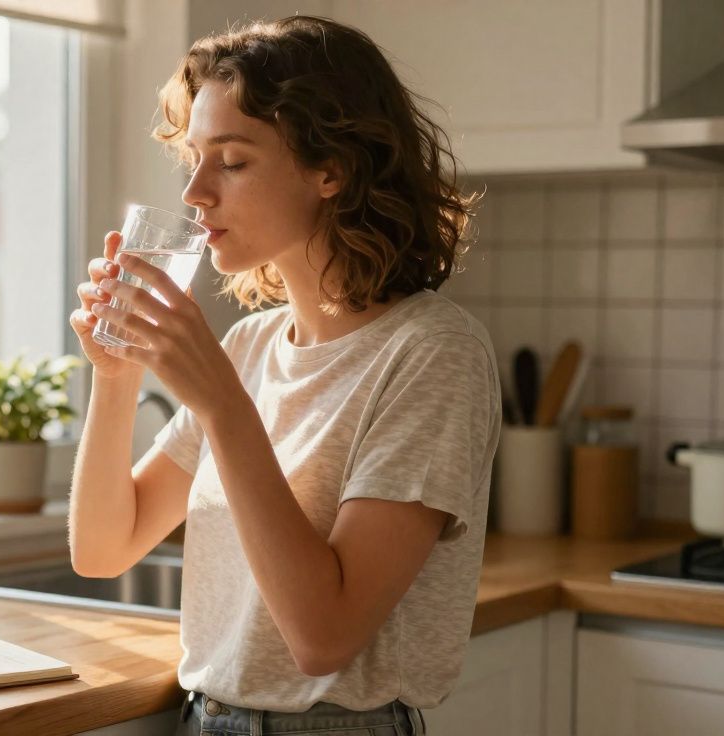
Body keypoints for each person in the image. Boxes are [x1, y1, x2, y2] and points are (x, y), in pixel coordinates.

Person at [67, 15, 501, 736]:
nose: (197, 194)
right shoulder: (250, 346)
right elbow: (102, 548)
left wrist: (222, 405)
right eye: (195, 160)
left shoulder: (433, 351)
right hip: (208, 721)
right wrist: (114, 377)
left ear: (331, 169)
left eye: (232, 162)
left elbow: (323, 637)